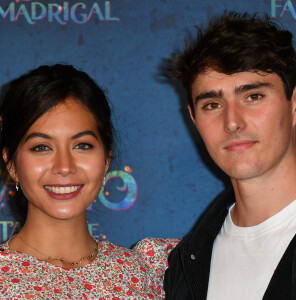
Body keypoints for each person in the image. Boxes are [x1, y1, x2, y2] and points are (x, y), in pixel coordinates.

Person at [0, 64, 179, 299]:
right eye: (41, 147)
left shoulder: (149, 273)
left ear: (106, 159)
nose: (64, 166)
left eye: (82, 145)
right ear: (11, 164)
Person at [163, 12, 296, 299]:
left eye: (253, 97)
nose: (232, 122)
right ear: (193, 118)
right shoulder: (185, 262)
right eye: (212, 104)